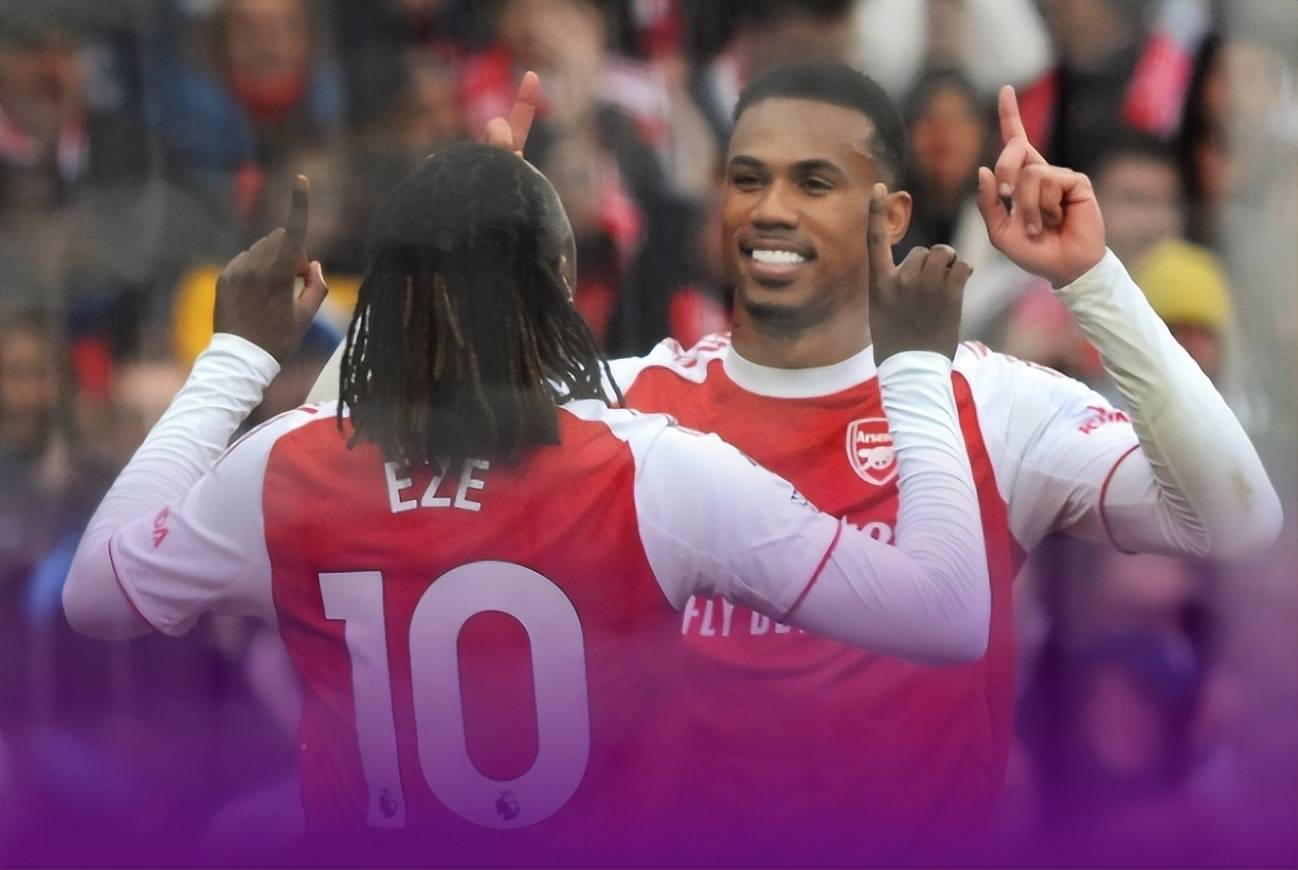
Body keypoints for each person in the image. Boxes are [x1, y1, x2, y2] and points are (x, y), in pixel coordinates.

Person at [340, 62, 1276, 864]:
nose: (771, 209)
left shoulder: (992, 402)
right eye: (747, 179)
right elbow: (361, 435)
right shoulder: (621, 402)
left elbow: (1236, 519)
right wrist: (451, 259)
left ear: (892, 212)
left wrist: (1092, 278)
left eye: (814, 181)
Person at [63, 146, 994, 864]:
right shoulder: (654, 473)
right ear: (562, 287)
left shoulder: (284, 468)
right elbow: (947, 615)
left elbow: (94, 595)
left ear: (382, 298)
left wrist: (235, 355)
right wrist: (915, 365)